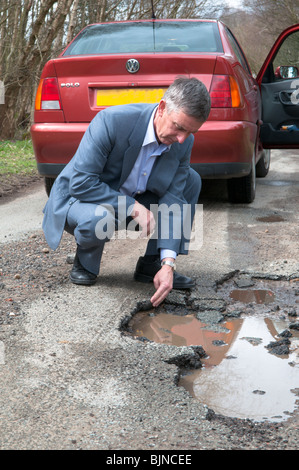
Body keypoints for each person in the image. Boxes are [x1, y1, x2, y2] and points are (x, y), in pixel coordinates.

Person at [42, 77, 211, 307]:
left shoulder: (182, 142)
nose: (181, 139)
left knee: (191, 180)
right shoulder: (112, 121)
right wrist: (132, 207)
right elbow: (81, 183)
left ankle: (152, 264)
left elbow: (174, 199)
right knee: (98, 218)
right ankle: (85, 261)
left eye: (190, 132)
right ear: (162, 108)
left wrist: (168, 263)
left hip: (129, 198)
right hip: (81, 199)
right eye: (179, 127)